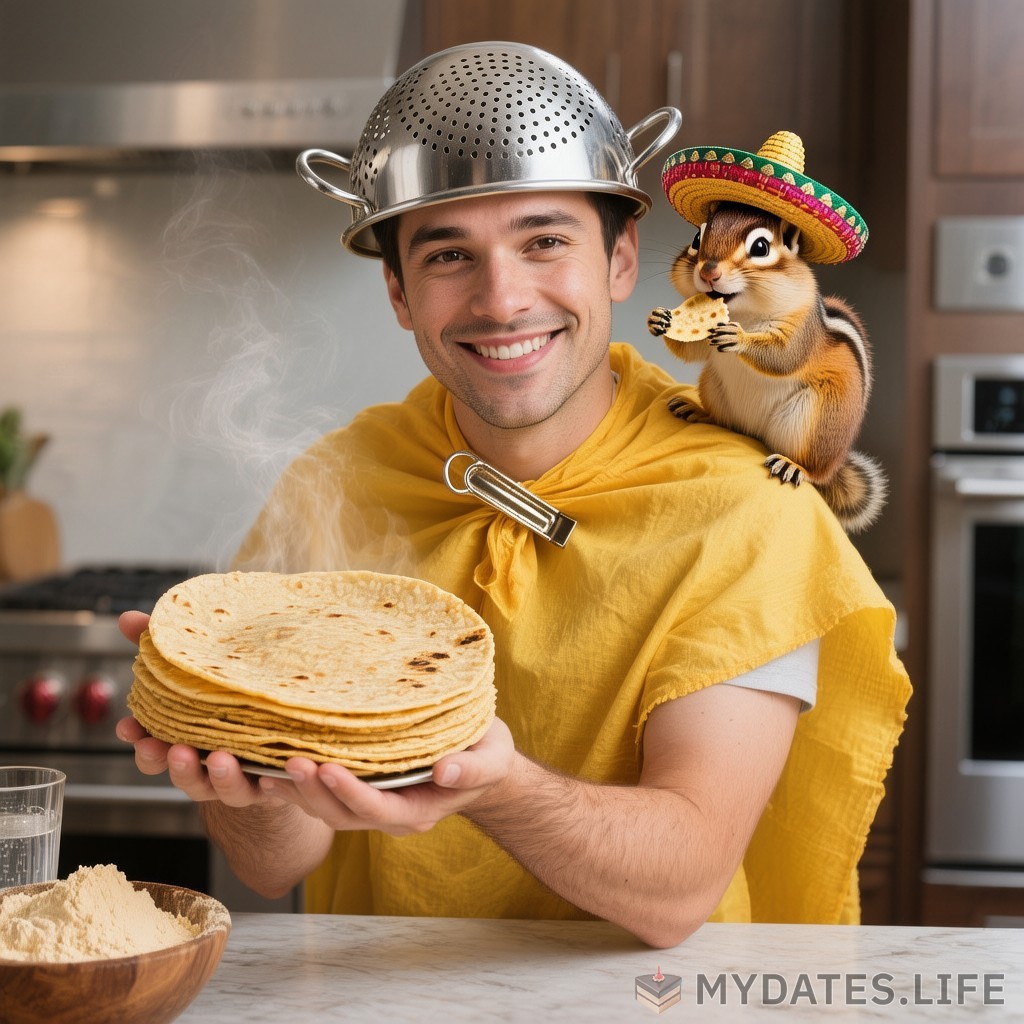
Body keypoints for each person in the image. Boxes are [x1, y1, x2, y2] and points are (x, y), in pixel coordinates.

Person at [117, 43, 911, 949]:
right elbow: (274, 862)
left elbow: (680, 883)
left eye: (544, 243)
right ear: (399, 293)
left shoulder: (743, 508)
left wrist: (492, 784)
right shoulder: (338, 482)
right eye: (449, 255)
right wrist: (244, 774)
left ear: (620, 261)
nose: (501, 300)